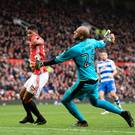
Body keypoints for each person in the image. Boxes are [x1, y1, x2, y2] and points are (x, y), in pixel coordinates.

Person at [36, 26, 134, 127]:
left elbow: (56, 60)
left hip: (85, 82)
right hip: (95, 80)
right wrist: (108, 38)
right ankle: (123, 113)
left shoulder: (74, 49)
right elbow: (103, 42)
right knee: (95, 102)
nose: (74, 32)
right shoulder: (92, 42)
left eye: (76, 32)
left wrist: (41, 64)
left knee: (65, 100)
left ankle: (82, 121)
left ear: (81, 36)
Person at [19, 25, 49, 125]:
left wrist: (35, 39)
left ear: (35, 33)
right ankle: (29, 116)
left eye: (30, 33)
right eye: (27, 33)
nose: (28, 35)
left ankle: (41, 118)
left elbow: (39, 40)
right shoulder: (33, 41)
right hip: (35, 74)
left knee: (27, 98)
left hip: (40, 74)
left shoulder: (35, 38)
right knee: (21, 94)